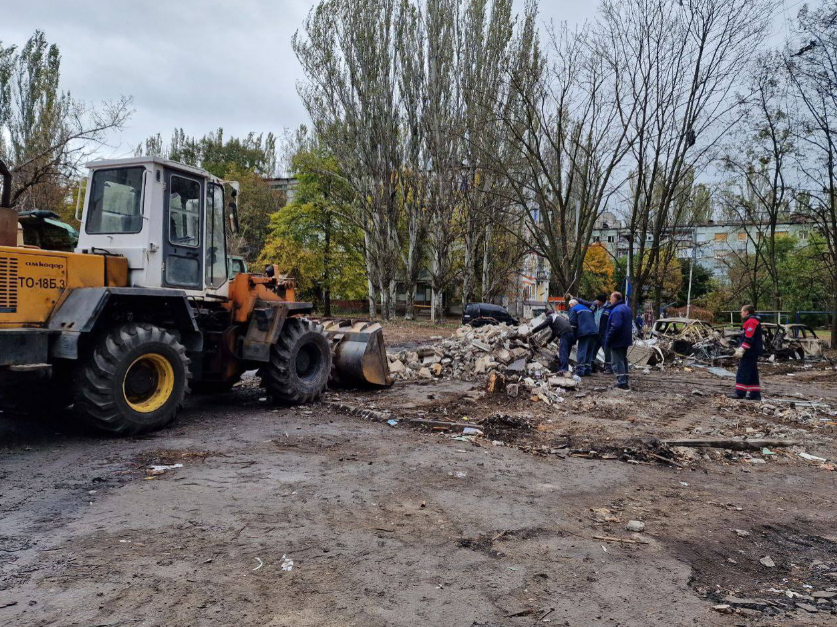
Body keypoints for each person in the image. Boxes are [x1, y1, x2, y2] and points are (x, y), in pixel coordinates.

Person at [574, 293, 613, 374]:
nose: (595, 301)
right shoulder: (594, 306)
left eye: (597, 300)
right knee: (592, 351)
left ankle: (609, 368)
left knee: (607, 352)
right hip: (594, 333)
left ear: (601, 301)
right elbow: (585, 302)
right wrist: (575, 298)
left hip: (604, 334)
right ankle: (590, 367)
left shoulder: (609, 308)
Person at [731, 304, 763, 401]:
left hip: (750, 351)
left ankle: (740, 393)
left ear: (746, 312)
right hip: (753, 351)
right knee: (752, 373)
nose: (741, 314)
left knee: (743, 371)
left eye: (742, 312)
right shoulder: (752, 321)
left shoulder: (751, 322)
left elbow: (749, 338)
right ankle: (755, 393)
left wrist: (742, 350)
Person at [529, 308, 575, 373]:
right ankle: (565, 368)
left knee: (563, 352)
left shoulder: (551, 317)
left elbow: (543, 325)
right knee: (566, 352)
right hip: (571, 333)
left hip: (564, 334)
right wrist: (547, 342)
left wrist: (532, 331)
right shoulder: (559, 318)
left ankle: (564, 370)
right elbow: (553, 334)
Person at [604, 292, 633, 390]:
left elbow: (616, 326)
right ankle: (624, 379)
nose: (610, 300)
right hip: (625, 339)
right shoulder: (626, 308)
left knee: (617, 361)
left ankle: (621, 382)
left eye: (611, 298)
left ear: (615, 299)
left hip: (617, 340)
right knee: (623, 360)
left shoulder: (616, 310)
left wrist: (609, 338)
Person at [568, 299, 598, 376]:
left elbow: (572, 324)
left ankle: (580, 370)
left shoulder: (573, 309)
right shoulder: (586, 308)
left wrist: (573, 338)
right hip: (594, 331)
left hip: (584, 332)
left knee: (582, 350)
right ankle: (588, 370)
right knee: (589, 351)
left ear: (571, 304)